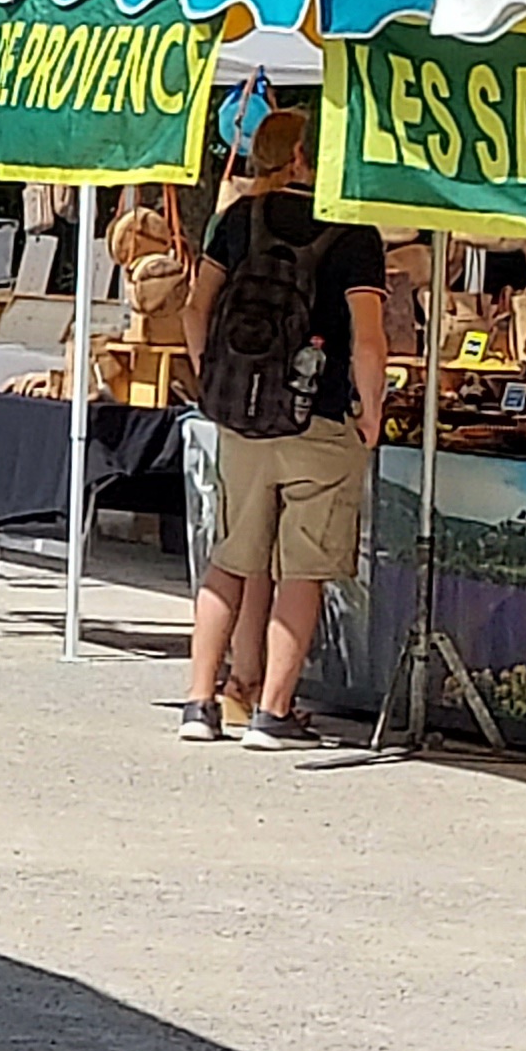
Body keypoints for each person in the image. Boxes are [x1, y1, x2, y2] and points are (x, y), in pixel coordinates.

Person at [180, 107, 386, 748]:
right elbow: (370, 341)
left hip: (242, 421)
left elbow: (194, 310)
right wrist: (371, 411)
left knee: (229, 560)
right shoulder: (354, 231)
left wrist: (217, 380)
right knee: (304, 570)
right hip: (318, 420)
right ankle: (273, 712)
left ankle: (199, 704)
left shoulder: (238, 218)